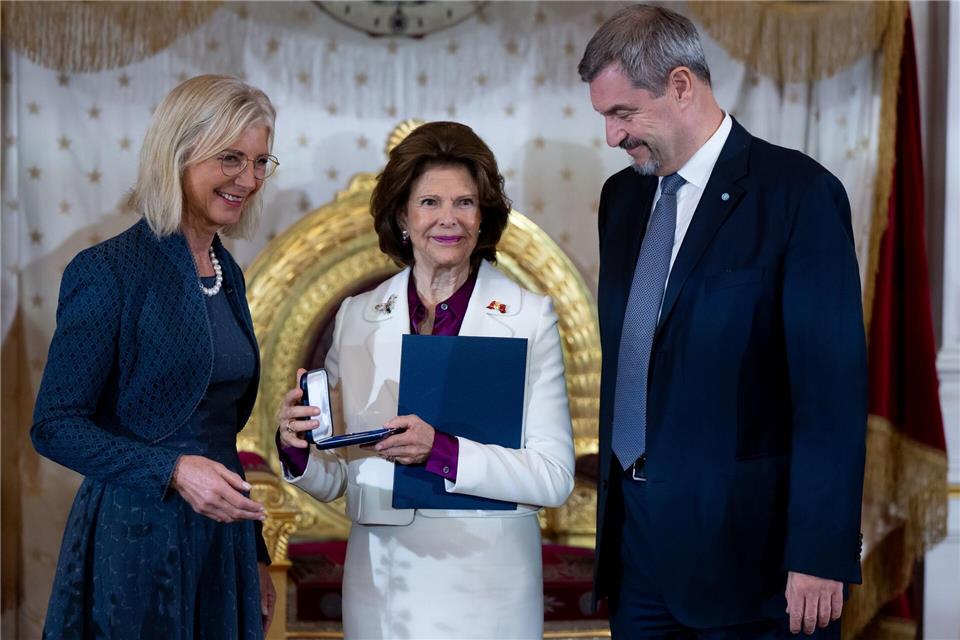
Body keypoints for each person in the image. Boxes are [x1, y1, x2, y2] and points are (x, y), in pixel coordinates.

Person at [578, 5, 867, 639]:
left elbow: (831, 394)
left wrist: (819, 552)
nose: (612, 137)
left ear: (681, 85)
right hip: (640, 553)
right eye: (604, 116)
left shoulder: (798, 195)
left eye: (623, 113)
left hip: (752, 567)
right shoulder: (621, 200)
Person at [275, 121, 576, 639]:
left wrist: (441, 451)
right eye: (430, 202)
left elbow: (553, 477)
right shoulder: (357, 315)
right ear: (402, 215)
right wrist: (299, 448)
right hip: (381, 585)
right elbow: (344, 477)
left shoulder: (529, 317)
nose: (448, 220)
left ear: (483, 218)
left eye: (465, 203)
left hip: (489, 584)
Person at [31, 75, 280, 639]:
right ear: (179, 154)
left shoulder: (228, 271)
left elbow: (219, 433)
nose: (249, 179)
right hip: (136, 540)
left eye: (262, 161)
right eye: (231, 159)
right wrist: (171, 469)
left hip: (223, 542)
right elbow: (54, 426)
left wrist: (256, 552)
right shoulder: (107, 270)